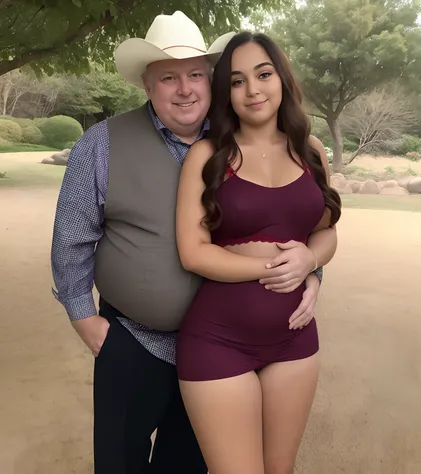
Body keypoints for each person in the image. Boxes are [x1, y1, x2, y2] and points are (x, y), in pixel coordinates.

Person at [50, 11, 337, 474]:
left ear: (211, 81)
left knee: (188, 464)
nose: (184, 89)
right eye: (168, 78)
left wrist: (312, 271)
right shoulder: (102, 144)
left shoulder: (234, 137)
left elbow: (295, 220)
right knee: (120, 462)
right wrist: (87, 322)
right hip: (134, 339)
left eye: (195, 75)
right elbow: (71, 240)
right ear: (148, 86)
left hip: (215, 342)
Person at [175, 31, 342, 474]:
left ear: (281, 78)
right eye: (236, 80)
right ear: (225, 93)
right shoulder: (206, 155)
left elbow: (327, 233)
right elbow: (193, 253)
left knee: (280, 470)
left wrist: (310, 260)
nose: (253, 90)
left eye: (263, 74)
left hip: (295, 339)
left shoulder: (311, 151)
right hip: (218, 340)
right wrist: (271, 266)